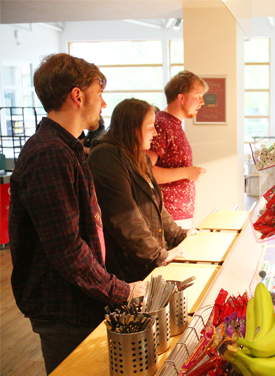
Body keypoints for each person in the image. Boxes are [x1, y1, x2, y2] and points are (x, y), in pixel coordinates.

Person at [8, 53, 146, 375]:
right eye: (99, 95)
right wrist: (121, 291)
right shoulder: (49, 155)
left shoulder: (67, 148)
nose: (104, 105)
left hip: (79, 298)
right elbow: (67, 250)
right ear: (78, 95)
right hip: (63, 306)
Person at [88, 98, 194, 282]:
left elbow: (155, 206)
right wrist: (157, 255)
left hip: (146, 261)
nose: (155, 132)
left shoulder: (139, 157)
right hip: (128, 268)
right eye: (150, 126)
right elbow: (124, 217)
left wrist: (179, 235)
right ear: (132, 127)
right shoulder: (106, 157)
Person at [146, 71, 208, 229]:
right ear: (181, 98)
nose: (202, 102)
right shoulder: (161, 124)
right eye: (197, 96)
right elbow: (145, 171)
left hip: (178, 214)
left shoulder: (173, 124)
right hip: (167, 216)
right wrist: (188, 173)